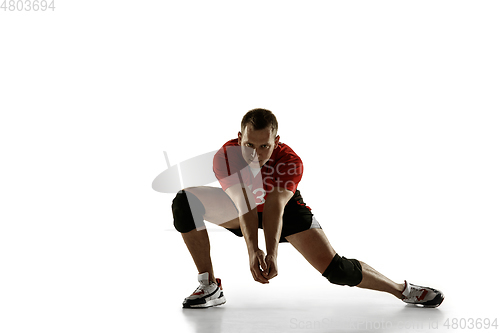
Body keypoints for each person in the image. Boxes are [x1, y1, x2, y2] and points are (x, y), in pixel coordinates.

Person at [172, 108, 444, 309]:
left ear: (276, 142)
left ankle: (402, 290)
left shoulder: (290, 160)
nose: (256, 154)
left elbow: (275, 208)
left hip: (285, 212)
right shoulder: (226, 156)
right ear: (239, 137)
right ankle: (209, 286)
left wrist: (272, 253)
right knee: (185, 201)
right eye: (249, 146)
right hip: (243, 208)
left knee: (338, 271)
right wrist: (254, 250)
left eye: (264, 146)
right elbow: (243, 203)